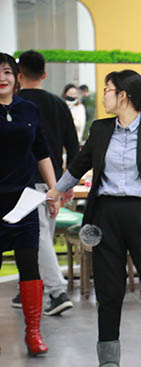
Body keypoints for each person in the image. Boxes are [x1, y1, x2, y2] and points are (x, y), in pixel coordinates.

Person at [46, 69, 141, 367]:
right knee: (109, 289)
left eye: (107, 90)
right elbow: (79, 165)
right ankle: (108, 358)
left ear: (123, 95)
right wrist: (56, 190)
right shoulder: (100, 130)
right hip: (105, 214)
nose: (104, 96)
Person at [0, 52, 60, 356]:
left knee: (29, 264)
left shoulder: (29, 109)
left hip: (23, 201)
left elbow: (42, 151)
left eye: (7, 72)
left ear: (17, 77)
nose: (2, 78)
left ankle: (33, 333)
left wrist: (53, 189)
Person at [15, 50, 79, 317]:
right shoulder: (58, 104)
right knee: (40, 237)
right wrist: (69, 182)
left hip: (24, 180)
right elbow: (73, 145)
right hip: (54, 180)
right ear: (44, 74)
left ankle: (57, 292)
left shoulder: (14, 104)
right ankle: (29, 285)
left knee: (38, 237)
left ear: (18, 75)